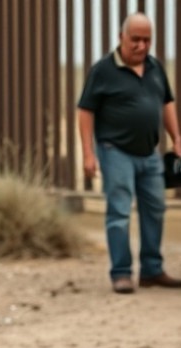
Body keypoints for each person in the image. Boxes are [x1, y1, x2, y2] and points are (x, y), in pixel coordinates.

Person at [77, 12, 181, 294]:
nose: (141, 45)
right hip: (115, 152)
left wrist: (177, 138)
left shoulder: (155, 67)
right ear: (122, 37)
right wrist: (88, 153)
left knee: (155, 210)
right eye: (136, 39)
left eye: (147, 40)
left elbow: (167, 103)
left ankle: (151, 270)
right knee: (119, 213)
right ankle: (121, 273)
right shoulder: (103, 70)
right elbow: (85, 111)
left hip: (150, 153)